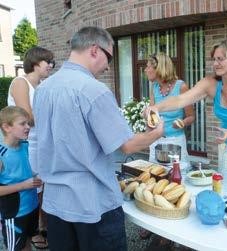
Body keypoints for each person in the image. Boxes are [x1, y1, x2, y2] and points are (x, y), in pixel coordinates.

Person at [32, 26, 163, 251]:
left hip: (55, 203)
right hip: (93, 205)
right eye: (109, 56)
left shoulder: (43, 89)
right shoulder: (94, 90)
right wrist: (156, 133)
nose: (109, 65)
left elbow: (37, 143)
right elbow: (127, 144)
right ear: (94, 50)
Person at [147, 38, 227, 182]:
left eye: (221, 59)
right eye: (214, 59)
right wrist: (155, 107)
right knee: (226, 186)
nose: (216, 63)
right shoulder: (210, 84)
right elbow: (181, 99)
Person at [7, 45, 54, 249]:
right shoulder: (20, 82)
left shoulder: (43, 85)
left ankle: (41, 227)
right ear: (35, 62)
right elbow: (27, 117)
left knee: (42, 187)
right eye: (48, 62)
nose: (51, 65)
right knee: (31, 187)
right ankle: (30, 231)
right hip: (25, 144)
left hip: (41, 142)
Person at [0, 106, 42, 251]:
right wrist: (24, 185)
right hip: (14, 214)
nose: (28, 127)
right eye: (22, 123)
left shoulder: (24, 145)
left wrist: (37, 177)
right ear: (7, 127)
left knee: (28, 243)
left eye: (28, 123)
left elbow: (23, 173)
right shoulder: (1, 154)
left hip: (32, 206)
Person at [145, 52, 195, 164]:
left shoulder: (181, 87)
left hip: (175, 142)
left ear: (159, 69)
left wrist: (181, 122)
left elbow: (191, 117)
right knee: (155, 177)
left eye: (148, 67)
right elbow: (152, 116)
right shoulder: (154, 87)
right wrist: (148, 119)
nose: (145, 70)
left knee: (176, 177)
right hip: (156, 141)